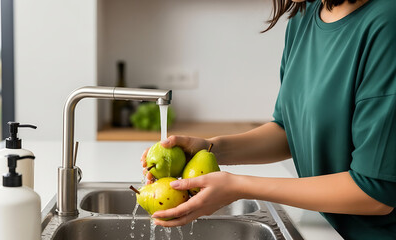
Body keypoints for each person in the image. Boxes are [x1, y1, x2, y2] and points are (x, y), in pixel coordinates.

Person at [141, 0, 396, 239]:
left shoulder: (386, 24)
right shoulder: (305, 15)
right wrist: (210, 149)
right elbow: (287, 129)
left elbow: (375, 192)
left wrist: (239, 187)